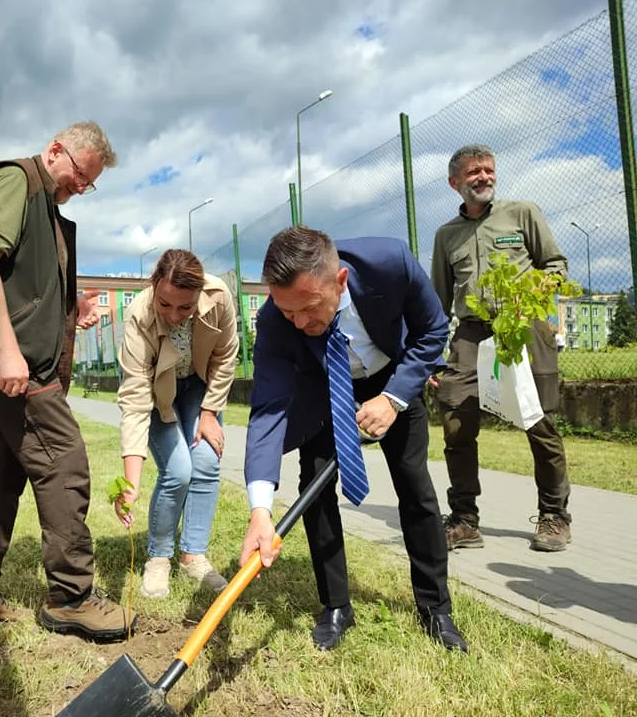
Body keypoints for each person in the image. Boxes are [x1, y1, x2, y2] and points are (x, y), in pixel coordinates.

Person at [0, 121, 135, 642]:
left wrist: (73, 308)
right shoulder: (16, 181)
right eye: (78, 177)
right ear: (55, 151)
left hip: (17, 356)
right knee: (64, 463)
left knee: (2, 470)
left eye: (88, 186)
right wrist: (6, 350)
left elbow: (22, 283)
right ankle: (72, 598)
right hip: (12, 359)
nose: (79, 191)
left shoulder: (45, 206)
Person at [239, 226, 467, 652]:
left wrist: (394, 398)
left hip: (392, 376)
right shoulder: (274, 319)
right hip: (324, 386)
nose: (300, 322)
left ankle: (436, 608)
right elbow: (268, 409)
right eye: (290, 314)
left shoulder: (389, 263)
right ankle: (336, 606)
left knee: (415, 487)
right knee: (315, 486)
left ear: (339, 281)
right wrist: (260, 510)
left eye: (308, 307)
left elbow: (433, 331)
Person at [431, 144, 572, 553]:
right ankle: (464, 520)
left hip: (524, 329)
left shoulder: (522, 213)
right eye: (474, 172)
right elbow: (437, 302)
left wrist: (530, 291)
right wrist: (430, 356)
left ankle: (554, 516)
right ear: (455, 182)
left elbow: (556, 266)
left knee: (539, 422)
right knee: (456, 422)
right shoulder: (446, 236)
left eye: (489, 170)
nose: (484, 178)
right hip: (472, 336)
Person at [113, 249, 239, 598]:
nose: (173, 315)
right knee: (178, 470)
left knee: (206, 461)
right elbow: (136, 397)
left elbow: (226, 355)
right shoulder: (138, 314)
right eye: (165, 304)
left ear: (198, 295)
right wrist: (130, 481)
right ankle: (159, 557)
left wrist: (210, 413)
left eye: (185, 307)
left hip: (199, 386)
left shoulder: (219, 297)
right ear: (154, 285)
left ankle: (192, 555)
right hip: (157, 391)